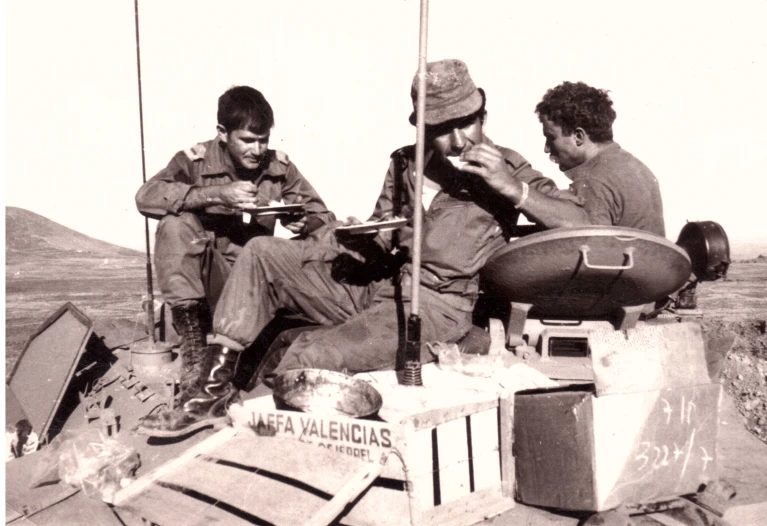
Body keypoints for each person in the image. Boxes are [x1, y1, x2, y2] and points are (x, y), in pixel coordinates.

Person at [136, 59, 566, 437]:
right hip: (380, 283)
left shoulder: (506, 166)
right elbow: (383, 234)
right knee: (263, 252)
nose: (458, 142)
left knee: (311, 355)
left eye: (466, 124)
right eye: (441, 130)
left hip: (435, 304)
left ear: (483, 116)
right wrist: (357, 234)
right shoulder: (405, 163)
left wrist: (516, 191)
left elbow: (580, 219)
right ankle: (210, 390)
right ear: (423, 129)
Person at [135, 86, 334, 408]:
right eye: (248, 140)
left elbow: (321, 215)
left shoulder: (279, 167)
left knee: (318, 246)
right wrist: (215, 195)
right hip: (211, 283)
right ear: (222, 133)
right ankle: (195, 349)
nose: (258, 150)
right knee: (174, 226)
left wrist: (305, 222)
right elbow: (147, 196)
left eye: (264, 139)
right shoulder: (195, 161)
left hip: (258, 286)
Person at [509, 81, 665, 236]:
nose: (546, 148)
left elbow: (589, 247)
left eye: (551, 137)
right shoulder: (633, 166)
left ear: (578, 136)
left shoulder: (594, 180)